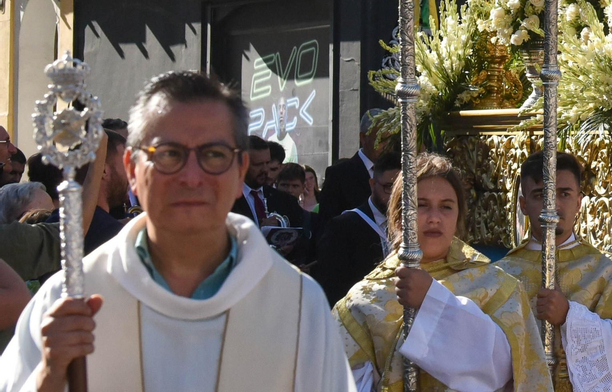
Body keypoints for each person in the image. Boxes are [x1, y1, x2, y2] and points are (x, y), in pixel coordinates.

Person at [0, 70, 356, 391]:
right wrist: (49, 374)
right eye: (168, 154)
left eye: (214, 154)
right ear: (132, 169)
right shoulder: (69, 300)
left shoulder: (295, 306)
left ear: (240, 169)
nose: (190, 177)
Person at [335, 152, 552, 392]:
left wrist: (431, 301)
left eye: (446, 207)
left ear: (459, 217)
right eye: (421, 205)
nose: (435, 218)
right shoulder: (362, 301)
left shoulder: (497, 287)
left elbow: (503, 371)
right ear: (398, 217)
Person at [495, 151, 612, 392]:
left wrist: (571, 318)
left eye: (564, 193)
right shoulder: (499, 276)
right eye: (541, 195)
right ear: (523, 204)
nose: (553, 205)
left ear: (579, 202)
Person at [313, 150, 399, 307]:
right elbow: (330, 288)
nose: (396, 195)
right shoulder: (343, 227)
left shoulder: (413, 225)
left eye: (403, 188)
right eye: (389, 187)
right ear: (372, 185)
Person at [232, 136, 306, 229]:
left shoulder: (285, 201)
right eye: (258, 164)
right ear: (242, 164)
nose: (265, 169)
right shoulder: (227, 201)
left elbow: (301, 235)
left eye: (267, 163)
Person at [322, 111, 386, 219]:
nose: (386, 145)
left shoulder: (398, 172)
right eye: (381, 139)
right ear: (363, 137)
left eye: (391, 139)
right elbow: (327, 223)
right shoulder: (339, 175)